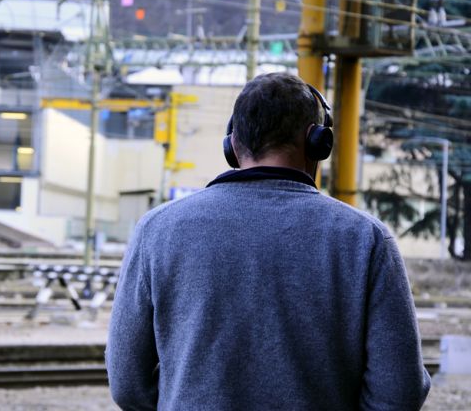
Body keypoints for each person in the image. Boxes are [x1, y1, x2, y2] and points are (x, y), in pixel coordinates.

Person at [106, 72, 431, 410]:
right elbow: (399, 391)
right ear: (318, 142)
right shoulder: (366, 239)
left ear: (232, 145)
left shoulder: (157, 230)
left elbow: (128, 383)